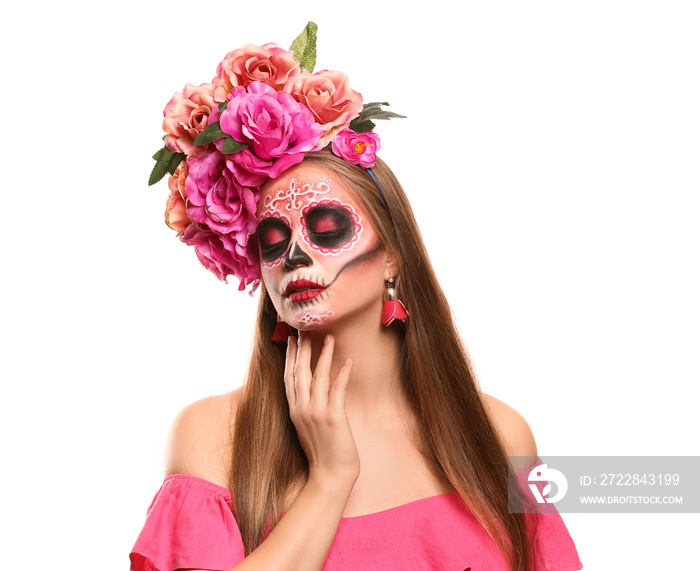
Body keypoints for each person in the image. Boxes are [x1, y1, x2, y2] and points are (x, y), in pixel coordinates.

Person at [131, 23, 582, 571]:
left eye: (326, 227)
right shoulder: (214, 438)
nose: (295, 254)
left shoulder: (498, 435)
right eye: (273, 239)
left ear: (393, 254)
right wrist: (329, 479)